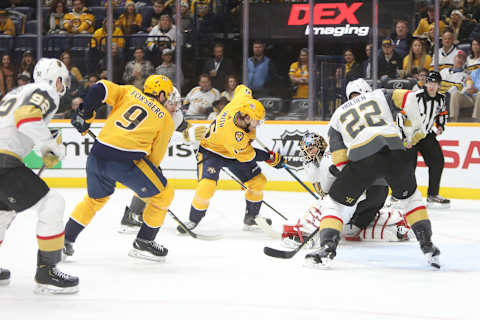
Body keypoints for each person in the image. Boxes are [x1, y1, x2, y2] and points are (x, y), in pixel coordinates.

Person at [303, 78, 441, 269]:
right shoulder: (380, 95)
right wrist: (416, 128)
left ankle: (327, 247)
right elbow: (410, 98)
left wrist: (354, 183)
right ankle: (427, 246)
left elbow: (341, 159)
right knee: (412, 199)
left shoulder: (338, 114)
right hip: (396, 154)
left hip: (362, 161)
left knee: (333, 205)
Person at [65, 75, 180, 262]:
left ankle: (64, 240)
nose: (167, 99)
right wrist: (153, 175)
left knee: (94, 200)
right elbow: (154, 158)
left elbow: (98, 88)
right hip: (126, 163)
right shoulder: (166, 118)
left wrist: (85, 113)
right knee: (164, 194)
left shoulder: (129, 92)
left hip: (97, 156)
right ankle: (144, 242)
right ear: (160, 94)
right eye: (166, 96)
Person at [0, 58, 79, 293]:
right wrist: (48, 145)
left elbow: (16, 124)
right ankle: (47, 271)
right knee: (52, 203)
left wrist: (43, 143)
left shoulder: (18, 90)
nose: (62, 86)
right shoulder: (45, 91)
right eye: (62, 81)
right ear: (56, 79)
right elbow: (26, 118)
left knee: (3, 214)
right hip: (5, 162)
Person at [177, 85, 286, 233]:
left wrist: (247, 97)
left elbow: (242, 88)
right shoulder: (233, 134)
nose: (258, 124)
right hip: (212, 153)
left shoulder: (241, 103)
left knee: (258, 182)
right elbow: (250, 155)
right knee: (206, 187)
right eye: (256, 120)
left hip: (233, 153)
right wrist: (270, 158)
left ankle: (251, 218)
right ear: (246, 117)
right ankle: (193, 219)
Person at [281, 132, 412, 249]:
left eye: (311, 148)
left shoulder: (328, 157)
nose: (310, 153)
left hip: (360, 192)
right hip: (377, 191)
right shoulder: (334, 151)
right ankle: (394, 227)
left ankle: (303, 235)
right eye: (307, 151)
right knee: (352, 228)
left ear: (320, 145)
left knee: (326, 207)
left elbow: (325, 191)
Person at [399, 71, 450, 208]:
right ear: (425, 83)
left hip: (427, 135)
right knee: (409, 166)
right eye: (430, 83)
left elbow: (442, 113)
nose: (432, 86)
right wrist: (404, 137)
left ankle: (433, 194)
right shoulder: (415, 97)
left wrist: (440, 126)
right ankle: (405, 195)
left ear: (439, 85)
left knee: (438, 161)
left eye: (435, 83)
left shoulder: (441, 98)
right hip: (411, 136)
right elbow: (401, 115)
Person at [440, 50, 469, 121]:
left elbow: (457, 91)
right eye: (459, 57)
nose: (460, 60)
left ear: (465, 62)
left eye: (463, 59)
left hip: (448, 97)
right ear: (454, 58)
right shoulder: (443, 71)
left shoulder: (465, 76)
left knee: (447, 97)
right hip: (438, 94)